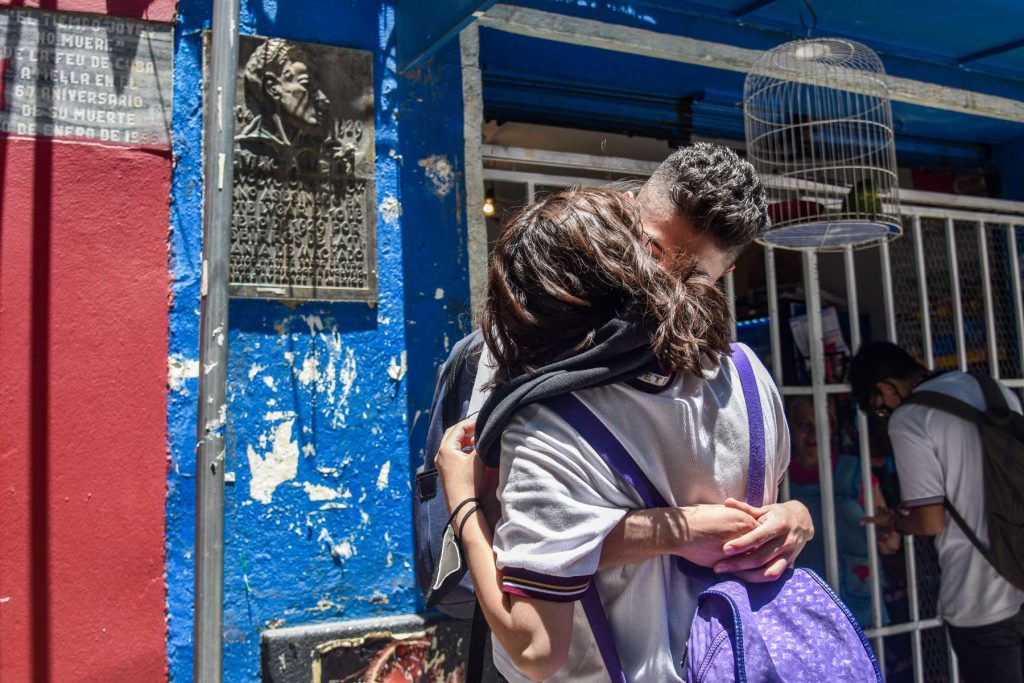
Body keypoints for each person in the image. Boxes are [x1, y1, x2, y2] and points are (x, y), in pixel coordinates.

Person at [436, 186, 805, 682]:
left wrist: (462, 504)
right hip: (743, 660)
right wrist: (786, 516)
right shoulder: (743, 371)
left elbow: (536, 648)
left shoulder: (547, 422)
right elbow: (756, 518)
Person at [849, 341, 1024, 682]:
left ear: (886, 387)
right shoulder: (993, 389)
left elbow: (929, 521)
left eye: (880, 407)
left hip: (981, 594)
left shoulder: (910, 418)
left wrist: (897, 519)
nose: (884, 414)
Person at [785, 395, 900, 626]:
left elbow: (892, 543)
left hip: (861, 604)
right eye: (802, 424)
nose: (813, 435)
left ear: (833, 428)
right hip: (805, 604)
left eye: (822, 425)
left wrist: (887, 536)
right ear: (788, 428)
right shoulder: (780, 479)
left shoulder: (856, 473)